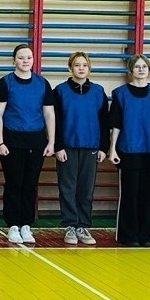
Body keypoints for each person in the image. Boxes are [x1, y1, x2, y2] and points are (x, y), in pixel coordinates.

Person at [0, 43, 55, 244]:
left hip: (36, 140)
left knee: (30, 184)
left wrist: (51, 141)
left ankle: (26, 224)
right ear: (14, 61)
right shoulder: (5, 83)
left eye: (28, 57)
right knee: (14, 183)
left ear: (33, 60)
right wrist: (0, 142)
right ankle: (12, 225)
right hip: (12, 141)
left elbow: (49, 114)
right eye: (21, 57)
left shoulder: (42, 84)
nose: (25, 61)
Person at [54, 52, 108, 246]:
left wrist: (103, 147)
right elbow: (55, 121)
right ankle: (70, 225)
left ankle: (83, 226)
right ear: (70, 68)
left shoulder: (98, 91)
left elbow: (104, 122)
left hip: (91, 146)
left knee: (86, 189)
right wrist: (58, 146)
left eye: (84, 65)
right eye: (77, 65)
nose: (81, 68)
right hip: (67, 147)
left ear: (89, 68)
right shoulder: (60, 91)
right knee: (68, 188)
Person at [109, 53, 150, 247]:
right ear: (131, 70)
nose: (141, 70)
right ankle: (129, 235)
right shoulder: (121, 94)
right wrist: (112, 149)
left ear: (149, 70)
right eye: (137, 66)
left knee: (148, 195)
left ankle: (145, 235)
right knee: (130, 194)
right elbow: (116, 124)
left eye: (144, 66)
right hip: (129, 150)